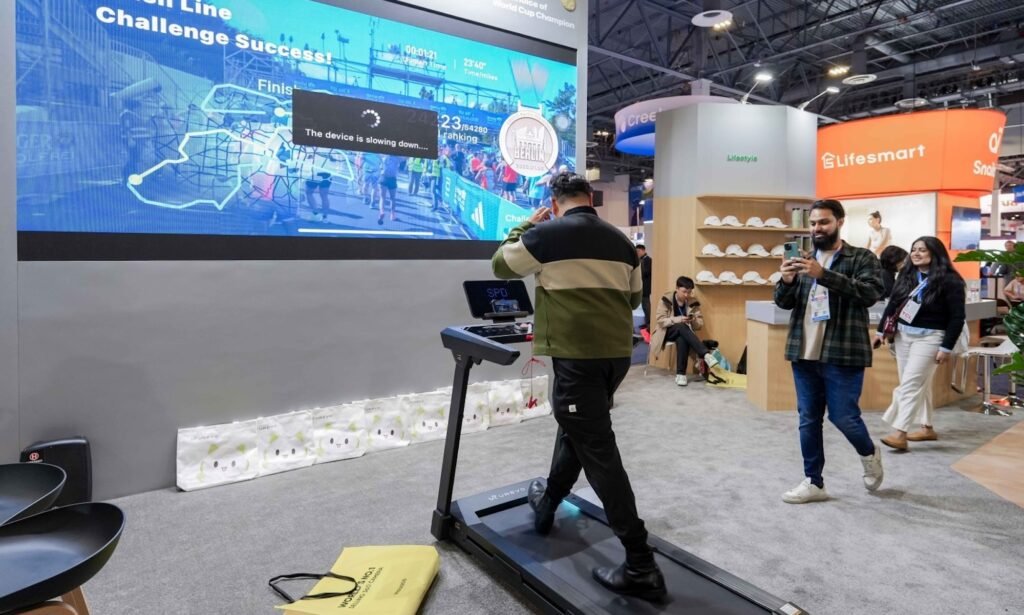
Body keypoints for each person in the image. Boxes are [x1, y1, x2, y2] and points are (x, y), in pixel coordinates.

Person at [492, 172, 666, 601]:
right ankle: (548, 501)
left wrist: (525, 226)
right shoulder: (622, 242)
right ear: (591, 198)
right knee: (580, 429)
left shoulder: (544, 234)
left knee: (598, 451)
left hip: (577, 357)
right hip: (616, 357)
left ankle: (641, 562)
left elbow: (500, 265)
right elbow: (632, 299)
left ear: (554, 204)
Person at [774, 199, 885, 504]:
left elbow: (870, 293)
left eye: (823, 222)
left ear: (839, 222)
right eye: (813, 223)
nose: (817, 228)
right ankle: (814, 481)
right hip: (804, 352)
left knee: (844, 416)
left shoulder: (861, 257)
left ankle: (869, 453)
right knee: (808, 419)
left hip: (843, 351)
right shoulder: (803, 260)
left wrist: (823, 274)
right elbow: (783, 302)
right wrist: (786, 280)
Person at [874, 237, 966, 450]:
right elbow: (893, 305)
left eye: (922, 250)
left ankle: (900, 433)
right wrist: (881, 331)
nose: (916, 253)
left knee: (910, 384)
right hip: (903, 336)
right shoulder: (906, 275)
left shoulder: (950, 280)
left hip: (931, 337)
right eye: (914, 249)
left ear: (935, 253)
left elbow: (957, 317)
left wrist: (946, 347)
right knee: (917, 383)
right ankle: (927, 427)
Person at [649, 276, 718, 386]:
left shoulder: (693, 302)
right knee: (681, 326)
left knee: (681, 337)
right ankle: (705, 354)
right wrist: (678, 319)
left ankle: (681, 375)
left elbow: (699, 325)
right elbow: (661, 321)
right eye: (684, 291)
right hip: (666, 332)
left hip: (684, 333)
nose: (686, 295)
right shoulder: (666, 299)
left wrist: (693, 320)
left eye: (689, 292)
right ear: (677, 288)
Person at [636, 244, 652, 331]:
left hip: (646, 287)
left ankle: (649, 324)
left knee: (646, 306)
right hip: (642, 287)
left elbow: (645, 272)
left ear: (643, 250)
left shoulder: (648, 260)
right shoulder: (641, 260)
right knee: (644, 306)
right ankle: (647, 323)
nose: (637, 253)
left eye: (638, 251)